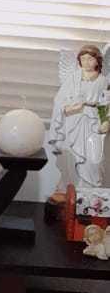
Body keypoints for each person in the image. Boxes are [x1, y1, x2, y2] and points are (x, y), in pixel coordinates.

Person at [48, 44, 109, 199]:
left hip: (94, 123)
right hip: (73, 123)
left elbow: (105, 104)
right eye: (83, 59)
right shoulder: (73, 79)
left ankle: (91, 195)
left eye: (90, 59)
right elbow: (60, 101)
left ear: (97, 61)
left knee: (95, 160)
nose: (86, 62)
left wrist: (105, 121)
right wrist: (70, 108)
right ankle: (71, 193)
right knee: (72, 158)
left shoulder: (103, 81)